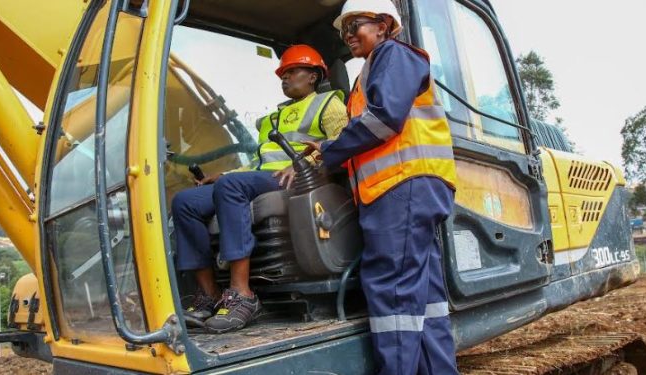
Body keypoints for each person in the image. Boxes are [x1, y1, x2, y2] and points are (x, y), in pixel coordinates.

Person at [309, 1, 460, 373]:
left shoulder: (394, 55)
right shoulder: (370, 71)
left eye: (355, 25)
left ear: (383, 25)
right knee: (423, 298)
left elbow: (383, 121)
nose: (348, 35)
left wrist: (331, 150)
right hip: (402, 187)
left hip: (402, 186)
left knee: (392, 290)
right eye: (343, 30)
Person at [172, 45, 348, 334]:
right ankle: (210, 296)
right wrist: (226, 174)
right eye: (282, 73)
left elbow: (343, 142)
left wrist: (306, 163)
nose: (285, 78)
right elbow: (260, 161)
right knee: (185, 202)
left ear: (314, 76)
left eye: (292, 72)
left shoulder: (328, 104)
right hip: (263, 177)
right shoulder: (274, 118)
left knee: (231, 187)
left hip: (297, 179)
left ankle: (243, 295)